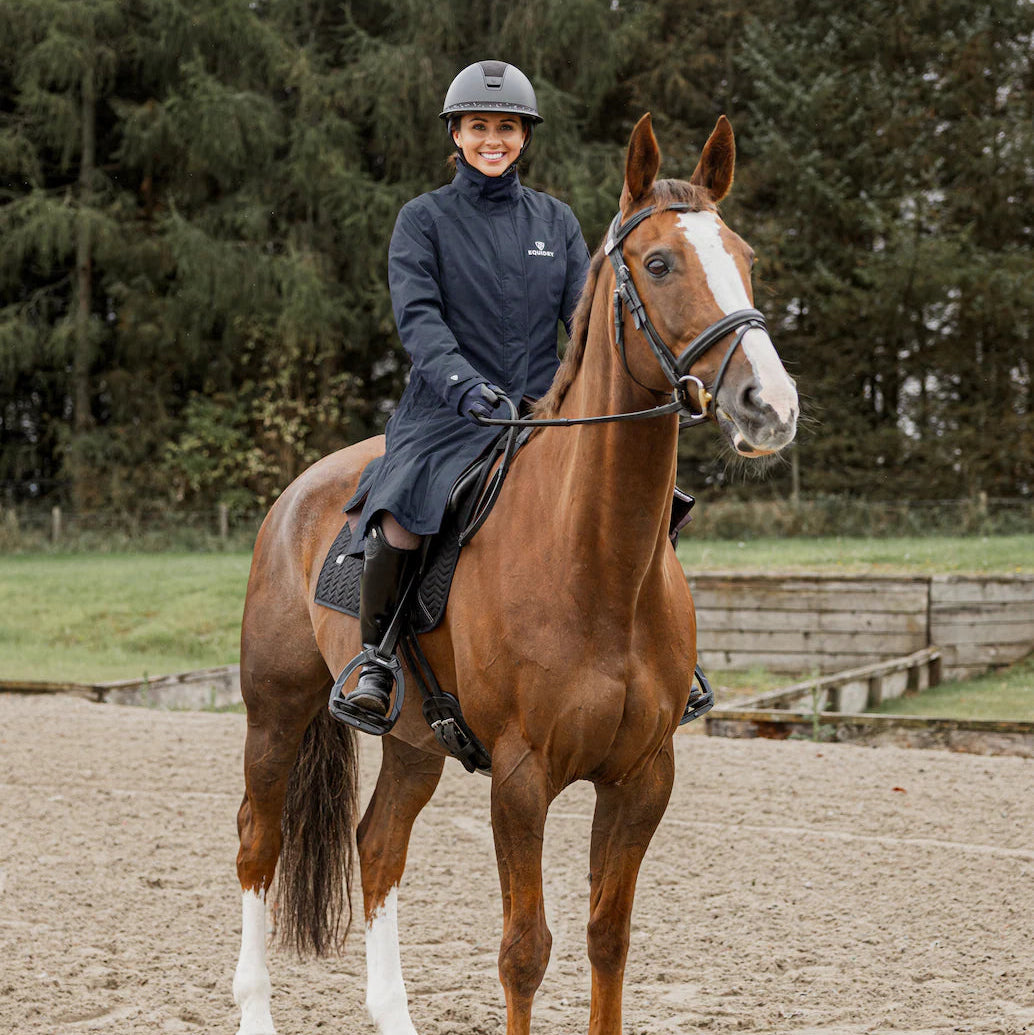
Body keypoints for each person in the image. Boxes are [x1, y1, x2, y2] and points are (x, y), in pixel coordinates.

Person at [336, 60, 591, 720]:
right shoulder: (422, 220)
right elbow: (419, 319)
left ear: (525, 137)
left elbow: (584, 322)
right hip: (448, 412)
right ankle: (378, 657)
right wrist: (466, 387)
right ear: (455, 134)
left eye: (505, 127)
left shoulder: (557, 222)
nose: (492, 140)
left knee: (637, 494)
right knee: (401, 508)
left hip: (540, 411)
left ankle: (658, 651)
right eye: (479, 127)